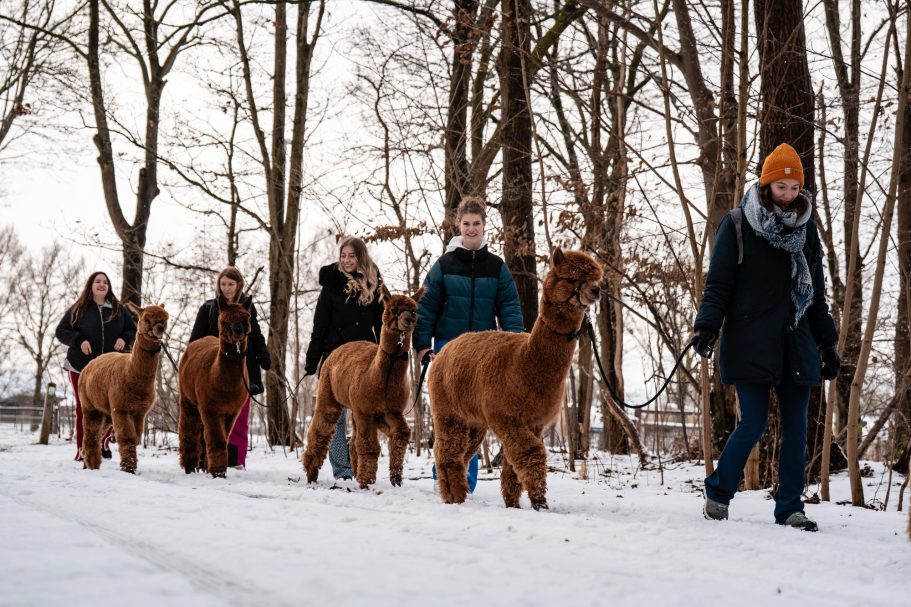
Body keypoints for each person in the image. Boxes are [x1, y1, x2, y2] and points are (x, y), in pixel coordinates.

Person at [693, 143, 840, 532]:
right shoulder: (739, 224)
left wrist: (828, 344)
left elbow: (817, 294)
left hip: (798, 341)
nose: (789, 195)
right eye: (781, 187)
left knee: (796, 429)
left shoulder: (807, 230)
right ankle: (719, 493)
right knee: (753, 423)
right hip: (750, 338)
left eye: (795, 188)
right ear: (767, 184)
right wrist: (707, 326)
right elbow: (719, 284)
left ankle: (790, 507)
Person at [414, 196, 525, 492]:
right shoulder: (444, 265)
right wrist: (423, 344)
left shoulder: (496, 267)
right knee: (448, 419)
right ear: (458, 225)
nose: (472, 228)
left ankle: (466, 482)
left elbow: (511, 307)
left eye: (476, 223)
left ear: (484, 225)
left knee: (476, 421)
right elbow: (425, 305)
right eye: (466, 224)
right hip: (448, 350)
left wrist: (517, 347)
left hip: (484, 356)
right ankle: (446, 479)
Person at [304, 236, 384, 481]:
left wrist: (385, 357)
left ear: (361, 258)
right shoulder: (331, 287)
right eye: (343, 256)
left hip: (366, 359)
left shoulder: (374, 285)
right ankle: (342, 469)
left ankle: (361, 465)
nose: (347, 260)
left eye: (352, 256)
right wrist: (312, 359)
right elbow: (320, 326)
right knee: (334, 417)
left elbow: (382, 325)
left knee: (364, 417)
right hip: (336, 360)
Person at [189, 266, 271, 469]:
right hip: (211, 372)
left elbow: (256, 335)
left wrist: (263, 355)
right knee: (206, 418)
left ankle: (235, 461)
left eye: (231, 284)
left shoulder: (248, 308)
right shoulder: (208, 308)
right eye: (223, 284)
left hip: (244, 369)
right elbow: (195, 339)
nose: (226, 288)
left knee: (239, 418)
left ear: (238, 285)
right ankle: (205, 457)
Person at [55, 271, 137, 462]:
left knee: (111, 409)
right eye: (97, 281)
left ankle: (101, 442)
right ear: (90, 285)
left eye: (105, 282)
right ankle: (83, 449)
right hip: (80, 367)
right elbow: (61, 331)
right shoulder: (79, 308)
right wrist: (78, 340)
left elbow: (132, 329)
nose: (102, 284)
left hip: (110, 371)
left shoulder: (118, 309)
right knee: (85, 409)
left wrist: (123, 339)